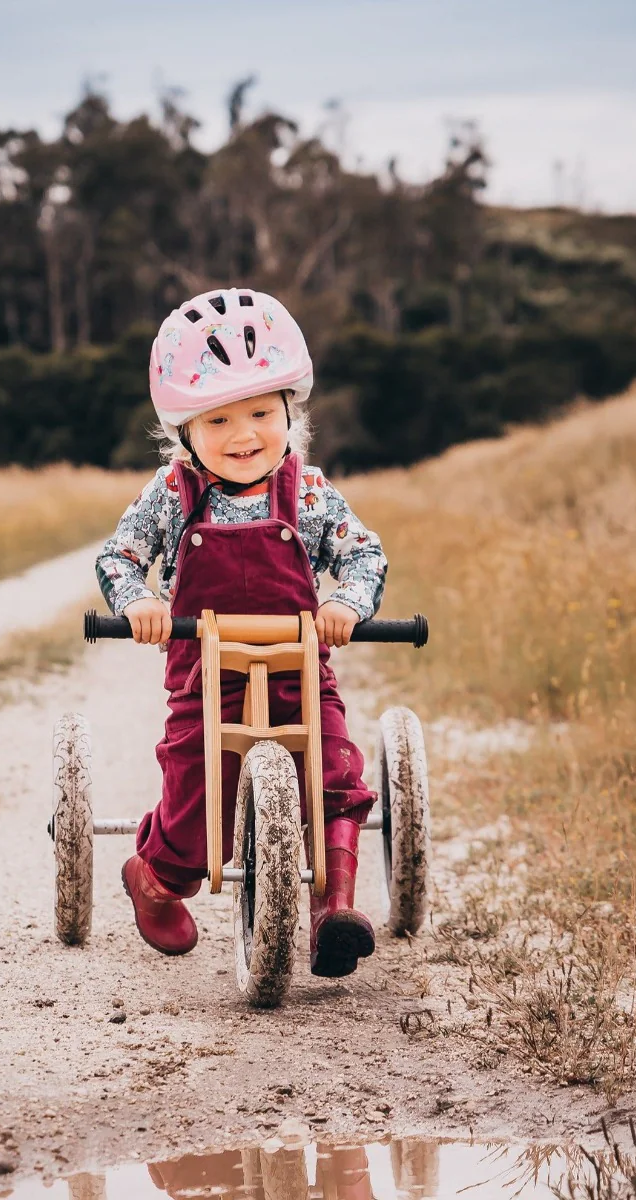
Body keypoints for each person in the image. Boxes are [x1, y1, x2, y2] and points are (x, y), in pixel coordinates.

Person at [95, 287, 388, 978]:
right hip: (207, 674)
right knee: (198, 792)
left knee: (336, 771)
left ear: (291, 411)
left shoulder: (310, 493)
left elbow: (362, 552)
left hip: (299, 666)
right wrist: (139, 599)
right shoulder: (172, 494)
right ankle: (157, 876)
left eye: (261, 412)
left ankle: (331, 908)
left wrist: (348, 599)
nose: (244, 433)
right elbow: (120, 556)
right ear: (184, 431)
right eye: (218, 419)